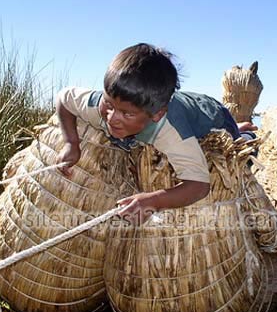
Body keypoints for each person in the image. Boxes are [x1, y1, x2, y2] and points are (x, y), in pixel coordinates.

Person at [56, 43, 257, 225]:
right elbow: (63, 99)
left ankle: (244, 132)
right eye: (108, 103)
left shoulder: (170, 131)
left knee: (239, 154)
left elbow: (199, 185)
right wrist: (71, 143)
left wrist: (153, 200)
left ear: (157, 115)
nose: (112, 118)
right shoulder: (100, 103)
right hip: (176, 103)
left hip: (213, 115)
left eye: (127, 113)